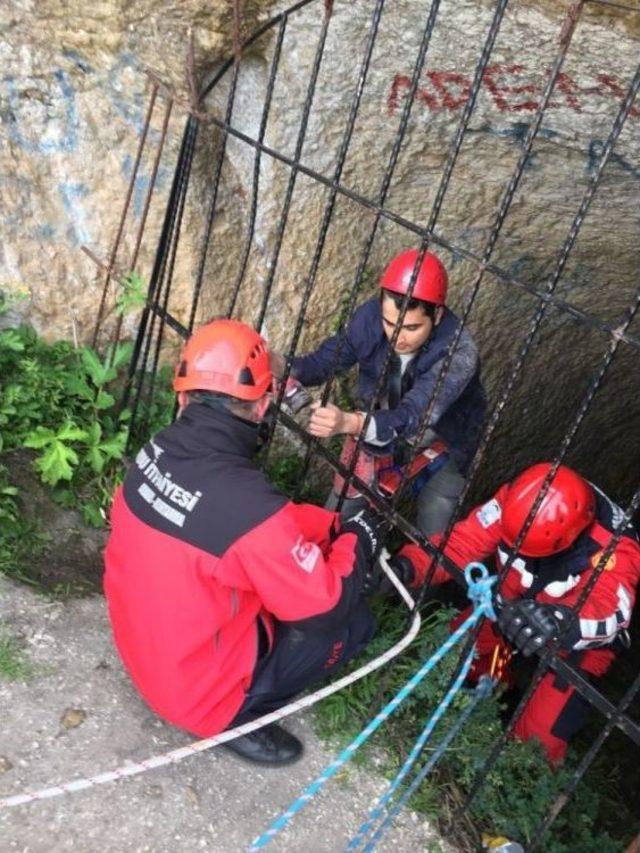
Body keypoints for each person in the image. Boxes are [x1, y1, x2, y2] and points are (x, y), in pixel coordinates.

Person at [104, 319, 384, 767]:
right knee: (353, 623)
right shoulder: (251, 510)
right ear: (262, 407)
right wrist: (358, 537)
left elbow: (259, 525)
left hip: (143, 652)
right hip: (194, 696)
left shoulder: (154, 453)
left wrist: (329, 525)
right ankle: (236, 718)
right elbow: (325, 605)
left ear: (182, 397)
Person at [383, 463, 640, 764]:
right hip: (510, 603)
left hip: (576, 639)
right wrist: (407, 567)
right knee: (449, 658)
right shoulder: (519, 497)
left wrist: (560, 622)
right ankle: (494, 684)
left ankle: (510, 775)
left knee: (538, 740)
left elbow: (609, 607)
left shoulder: (616, 548)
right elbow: (464, 542)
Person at [275, 248, 485, 536]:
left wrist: (350, 423)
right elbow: (324, 363)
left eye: (411, 327)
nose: (397, 337)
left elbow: (414, 415)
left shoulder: (459, 353)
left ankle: (404, 576)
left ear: (436, 315)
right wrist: (280, 365)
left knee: (430, 546)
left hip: (440, 446)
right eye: (389, 323)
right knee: (335, 520)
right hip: (377, 432)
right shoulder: (371, 317)